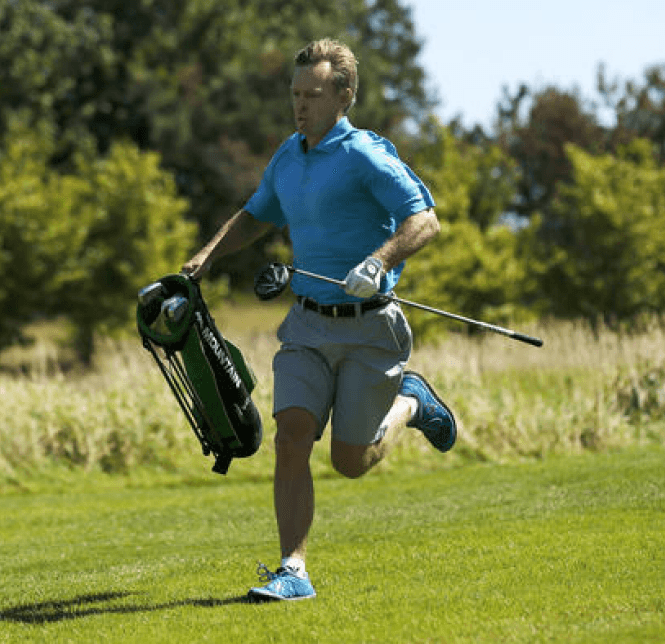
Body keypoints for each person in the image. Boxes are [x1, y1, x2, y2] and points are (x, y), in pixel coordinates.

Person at [182, 38, 457, 601]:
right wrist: (208, 257)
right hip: (307, 323)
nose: (300, 105)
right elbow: (257, 215)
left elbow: (424, 220)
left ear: (344, 95)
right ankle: (293, 570)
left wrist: (379, 262)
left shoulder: (365, 156)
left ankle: (411, 403)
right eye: (295, 94)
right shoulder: (289, 155)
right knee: (291, 437)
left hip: (370, 328)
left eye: (313, 94)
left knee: (350, 462)